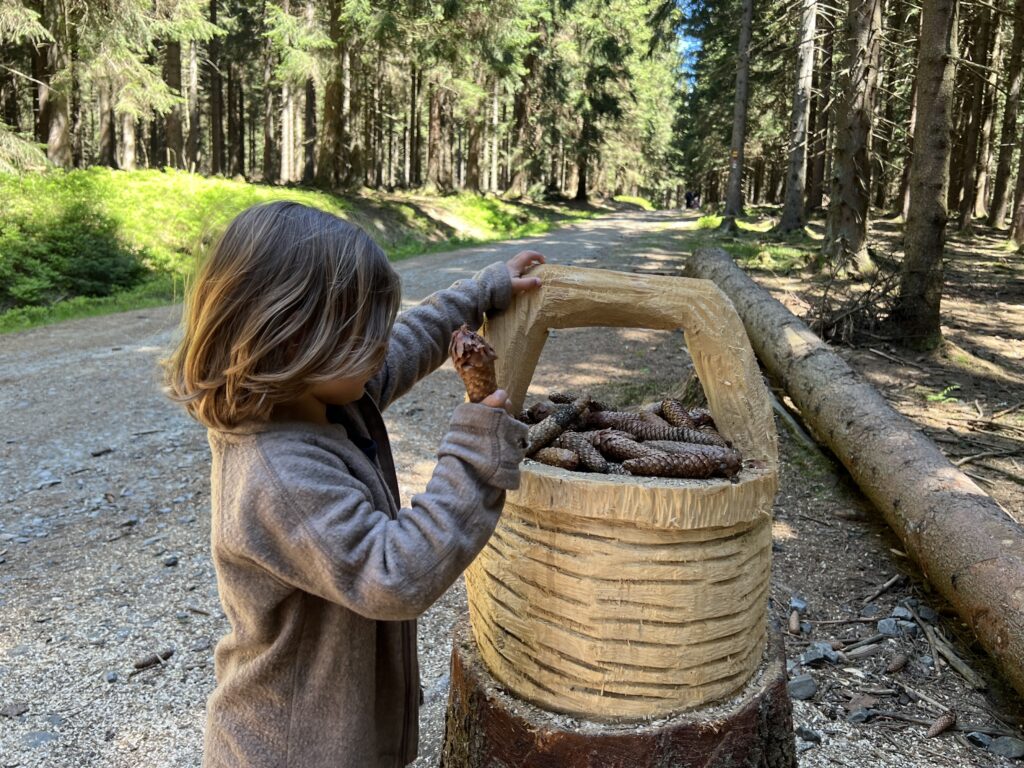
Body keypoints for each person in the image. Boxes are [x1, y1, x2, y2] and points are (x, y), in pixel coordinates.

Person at [163, 200, 544, 768]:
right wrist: (475, 450)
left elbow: (409, 343)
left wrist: (480, 292)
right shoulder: (278, 473)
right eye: (367, 337)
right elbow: (396, 573)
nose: (383, 348)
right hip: (293, 749)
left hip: (342, 735)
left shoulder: (315, 396)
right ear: (294, 343)